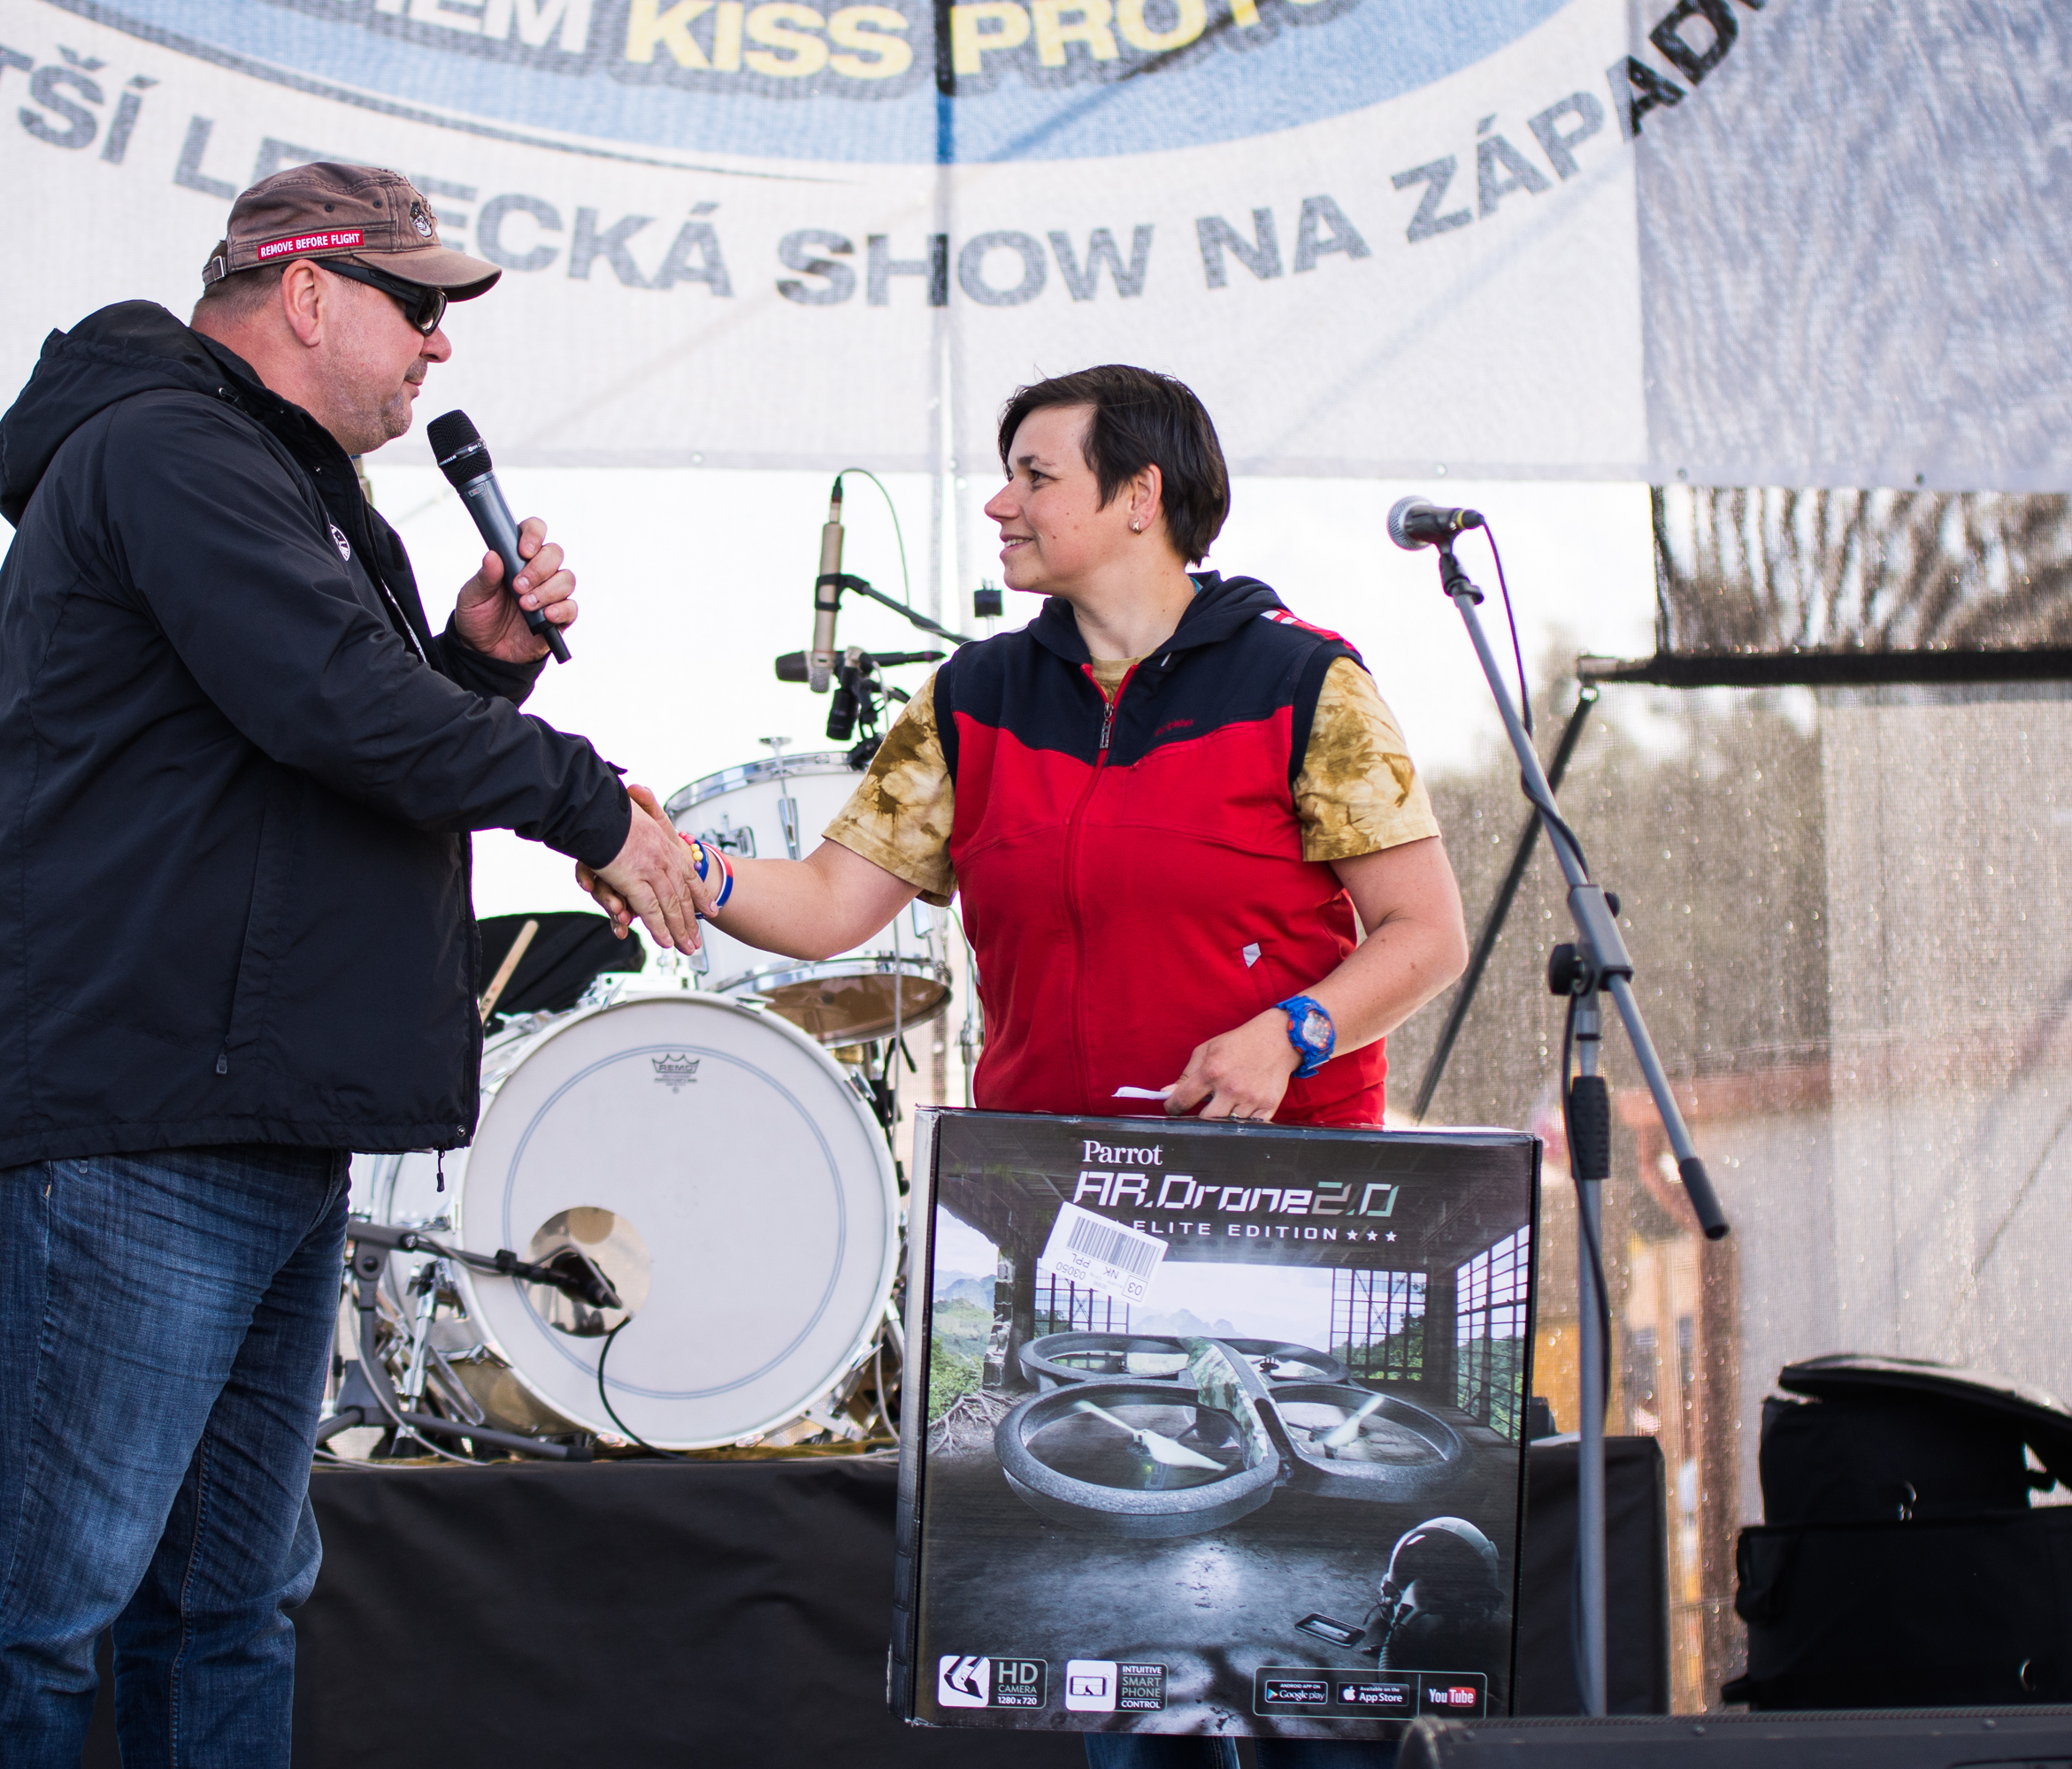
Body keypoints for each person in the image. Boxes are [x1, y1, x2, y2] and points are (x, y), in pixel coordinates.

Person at [0, 162, 710, 1767]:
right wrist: (586, 803)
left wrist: (474, 666)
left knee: (229, 1606)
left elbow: (319, 761)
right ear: (306, 292)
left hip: (251, 1113)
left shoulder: (272, 481)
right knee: (43, 1616)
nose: (438, 346)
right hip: (138, 1120)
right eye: (417, 307)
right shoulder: (169, 448)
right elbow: (333, 710)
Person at [589, 364, 1468, 1766]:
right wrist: (673, 859)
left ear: (1141, 498)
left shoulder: (1309, 684)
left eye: (1035, 475)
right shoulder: (974, 700)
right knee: (1123, 1673)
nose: (1000, 502)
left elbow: (1424, 936)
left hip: (1278, 1213)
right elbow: (829, 904)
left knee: (1318, 1693)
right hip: (1072, 1206)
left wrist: (1290, 1032)